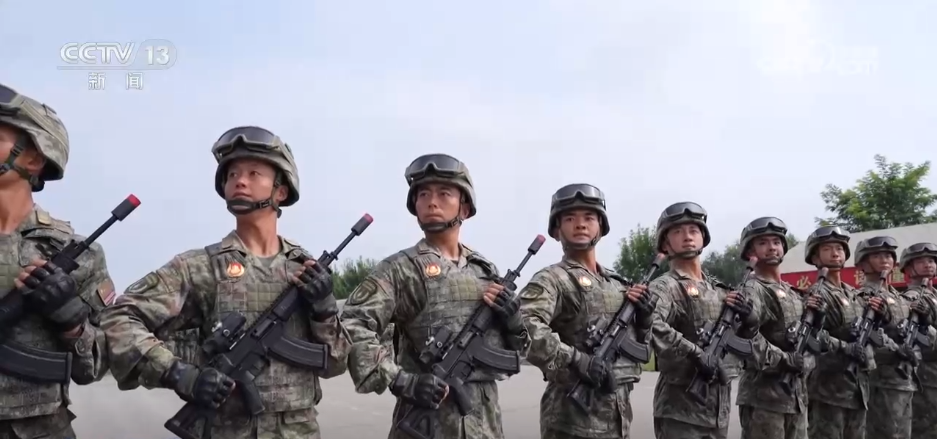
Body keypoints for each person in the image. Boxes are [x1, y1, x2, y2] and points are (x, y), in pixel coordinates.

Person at [100, 126, 350, 438]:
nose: (239, 181)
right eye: (232, 174)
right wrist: (180, 374)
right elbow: (119, 318)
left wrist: (324, 309)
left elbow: (336, 364)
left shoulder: (307, 271)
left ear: (281, 191)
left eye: (254, 173)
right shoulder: (200, 267)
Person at [340, 153, 529, 439]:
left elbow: (516, 354)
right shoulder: (401, 269)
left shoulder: (485, 270)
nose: (431, 201)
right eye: (423, 194)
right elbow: (353, 326)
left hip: (484, 426)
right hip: (424, 424)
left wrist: (514, 321)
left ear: (465, 207)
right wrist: (402, 381)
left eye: (444, 193)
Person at [0, 83, 114, 438]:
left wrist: (69, 318)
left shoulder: (75, 253)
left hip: (40, 430)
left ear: (33, 158)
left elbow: (96, 365)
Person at [519, 184, 654, 439]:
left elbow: (642, 348)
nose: (580, 224)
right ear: (557, 230)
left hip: (618, 418)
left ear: (601, 227)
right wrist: (577, 360)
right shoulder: (552, 279)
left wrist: (645, 320)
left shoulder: (618, 284)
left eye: (589, 218)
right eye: (570, 218)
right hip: (571, 420)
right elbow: (524, 328)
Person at [637, 202, 758, 439]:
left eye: (694, 230)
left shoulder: (719, 290)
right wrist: (695, 354)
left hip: (718, 411)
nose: (687, 236)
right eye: (678, 231)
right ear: (665, 243)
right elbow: (653, 326)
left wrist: (750, 322)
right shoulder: (665, 286)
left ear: (703, 238)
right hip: (680, 412)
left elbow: (742, 345)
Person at [734, 217, 824, 439]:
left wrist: (806, 359)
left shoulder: (793, 293)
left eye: (776, 242)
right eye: (763, 243)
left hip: (796, 396)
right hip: (764, 398)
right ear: (750, 251)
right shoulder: (752, 289)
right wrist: (784, 359)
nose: (772, 247)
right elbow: (747, 340)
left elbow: (810, 341)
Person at [804, 226, 884, 439]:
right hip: (829, 388)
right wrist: (846, 347)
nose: (835, 253)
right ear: (815, 257)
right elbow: (812, 336)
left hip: (857, 387)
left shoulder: (853, 294)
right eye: (827, 249)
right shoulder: (816, 294)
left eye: (839, 248)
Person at [854, 236, 918, 439]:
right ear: (863, 263)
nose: (885, 260)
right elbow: (867, 334)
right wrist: (897, 349)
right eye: (877, 256)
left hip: (905, 378)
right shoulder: (863, 297)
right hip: (881, 379)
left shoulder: (899, 298)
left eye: (889, 255)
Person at [898, 243, 937, 438]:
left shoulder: (933, 295)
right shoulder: (910, 298)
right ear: (908, 268)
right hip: (925, 373)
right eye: (921, 261)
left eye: (931, 261)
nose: (928, 265)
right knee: (925, 427)